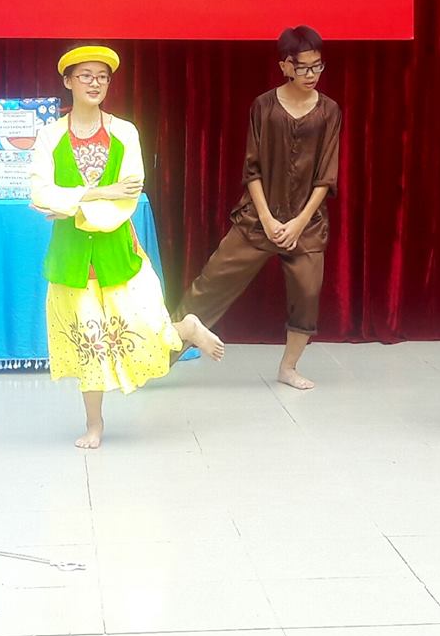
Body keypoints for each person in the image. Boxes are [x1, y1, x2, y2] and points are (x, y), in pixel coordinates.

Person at [30, 45, 226, 448]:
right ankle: (94, 424)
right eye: (86, 76)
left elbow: (128, 196)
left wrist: (71, 204)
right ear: (68, 81)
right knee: (88, 341)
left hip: (118, 250)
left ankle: (186, 328)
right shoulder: (50, 135)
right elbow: (40, 193)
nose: (95, 83)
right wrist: (100, 191)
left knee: (141, 330)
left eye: (102, 77)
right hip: (71, 257)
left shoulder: (124, 132)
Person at [177, 25, 341, 389]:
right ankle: (156, 355)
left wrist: (299, 222)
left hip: (307, 224)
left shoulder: (329, 111)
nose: (311, 74)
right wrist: (267, 219)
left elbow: (326, 177)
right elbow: (251, 169)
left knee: (307, 293)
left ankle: (288, 367)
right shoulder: (263, 106)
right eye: (303, 67)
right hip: (256, 218)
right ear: (284, 66)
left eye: (317, 66)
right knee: (210, 284)